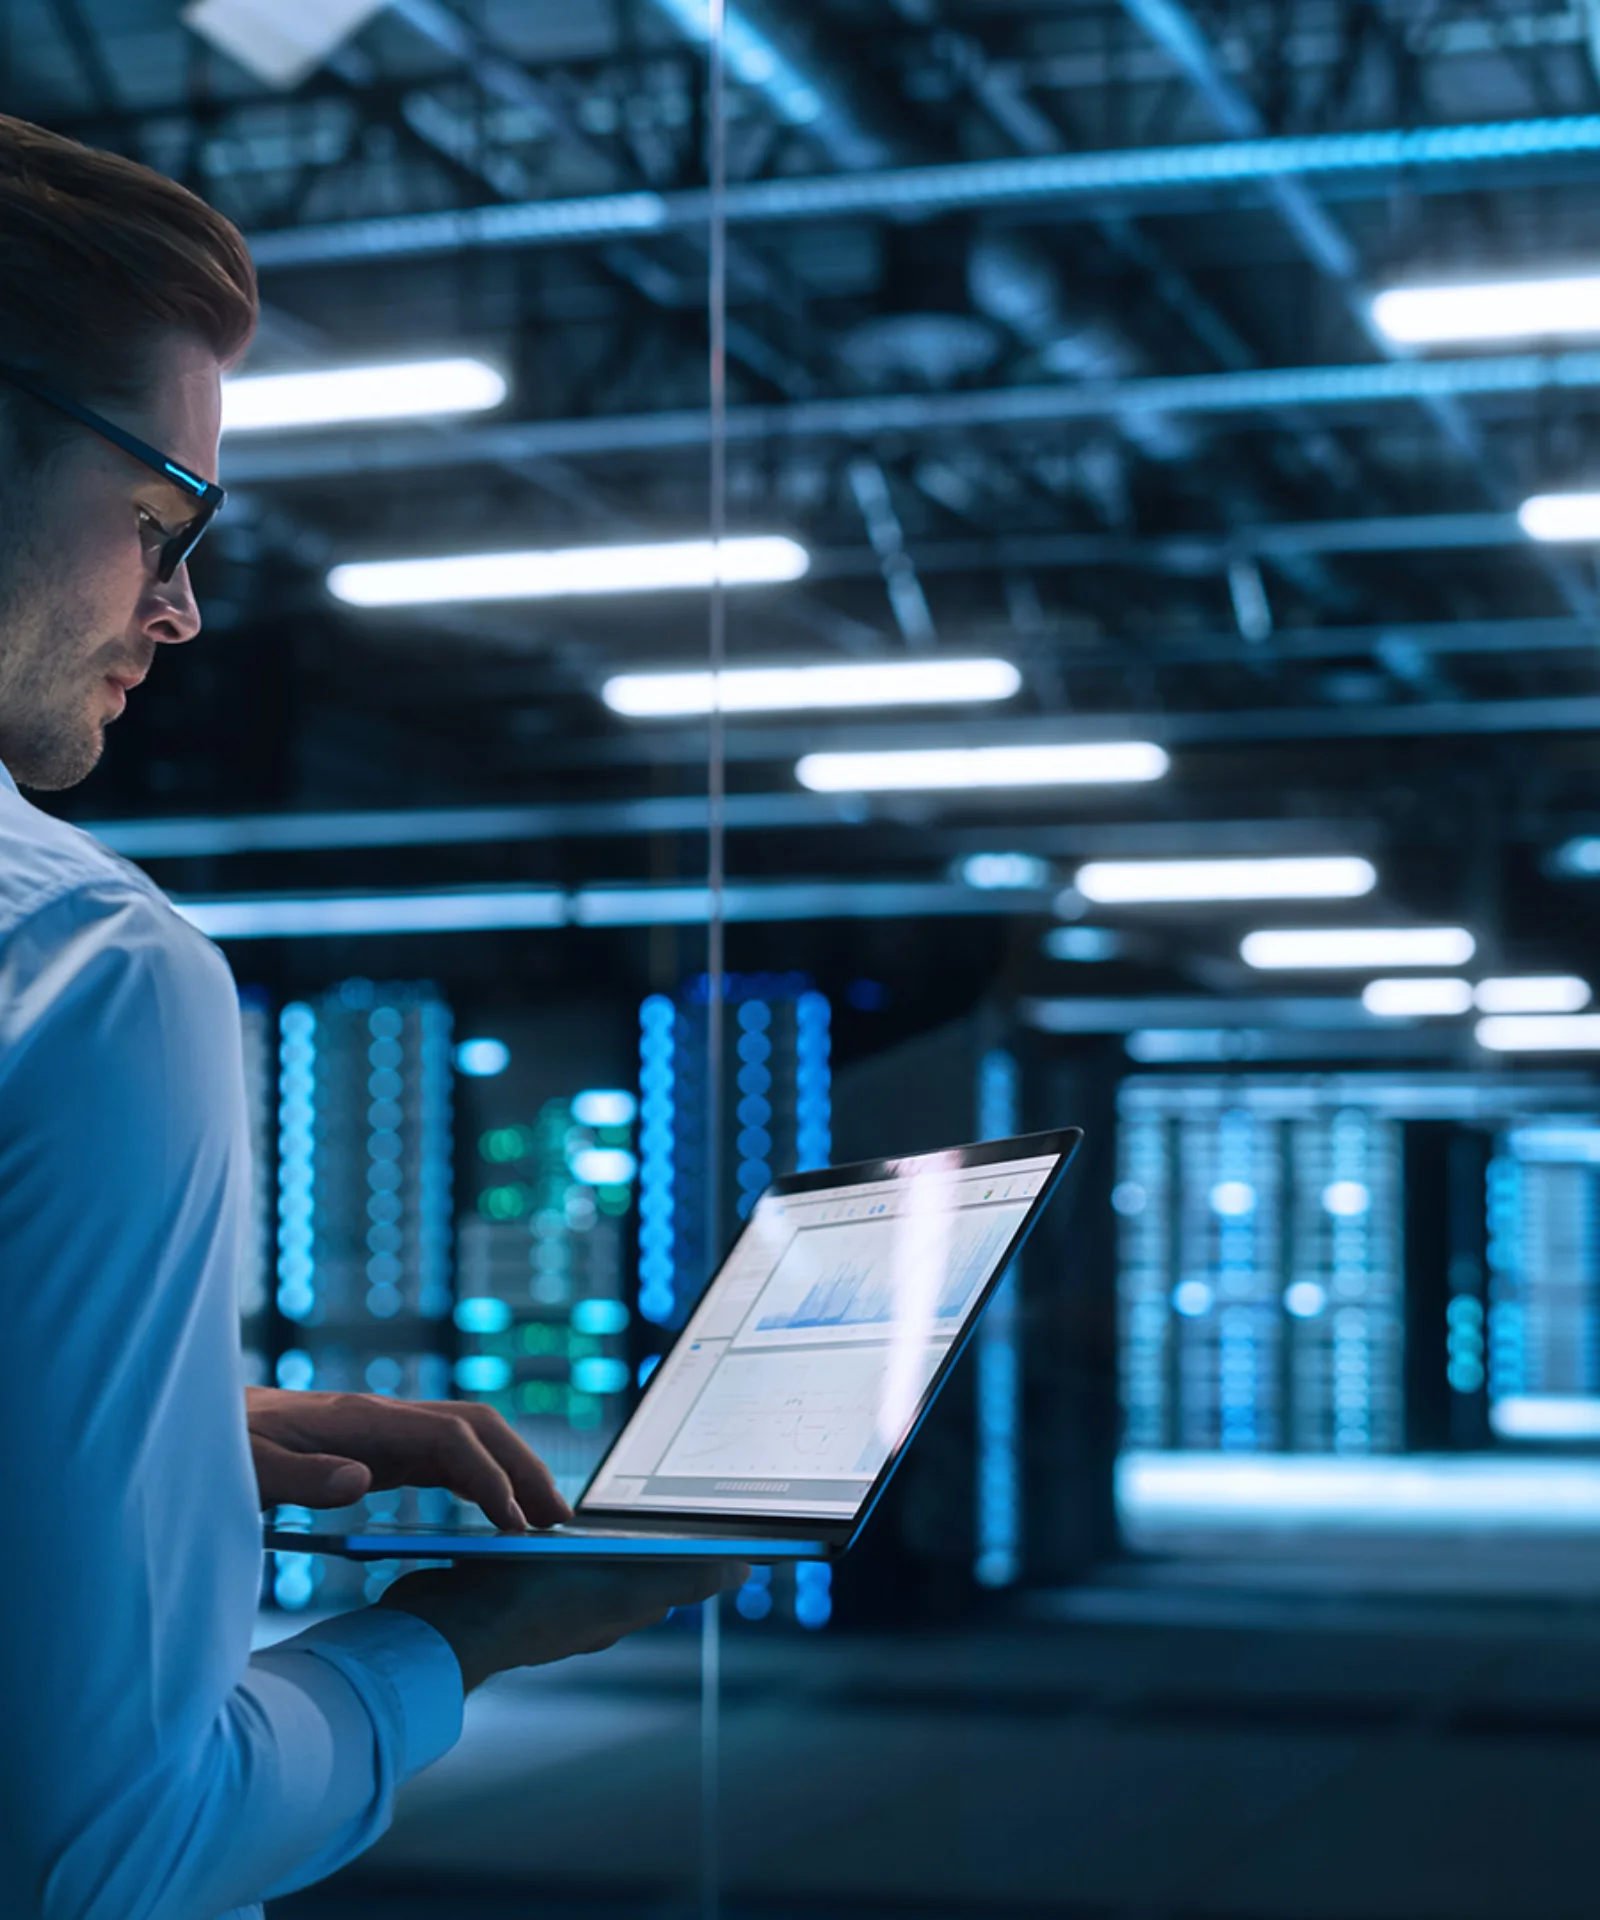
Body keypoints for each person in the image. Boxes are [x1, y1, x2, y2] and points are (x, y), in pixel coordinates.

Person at [0, 114, 742, 1920]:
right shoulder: (90, 972)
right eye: (165, 520)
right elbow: (101, 1859)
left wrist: (125, 1436)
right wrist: (452, 1640)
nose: (178, 607)